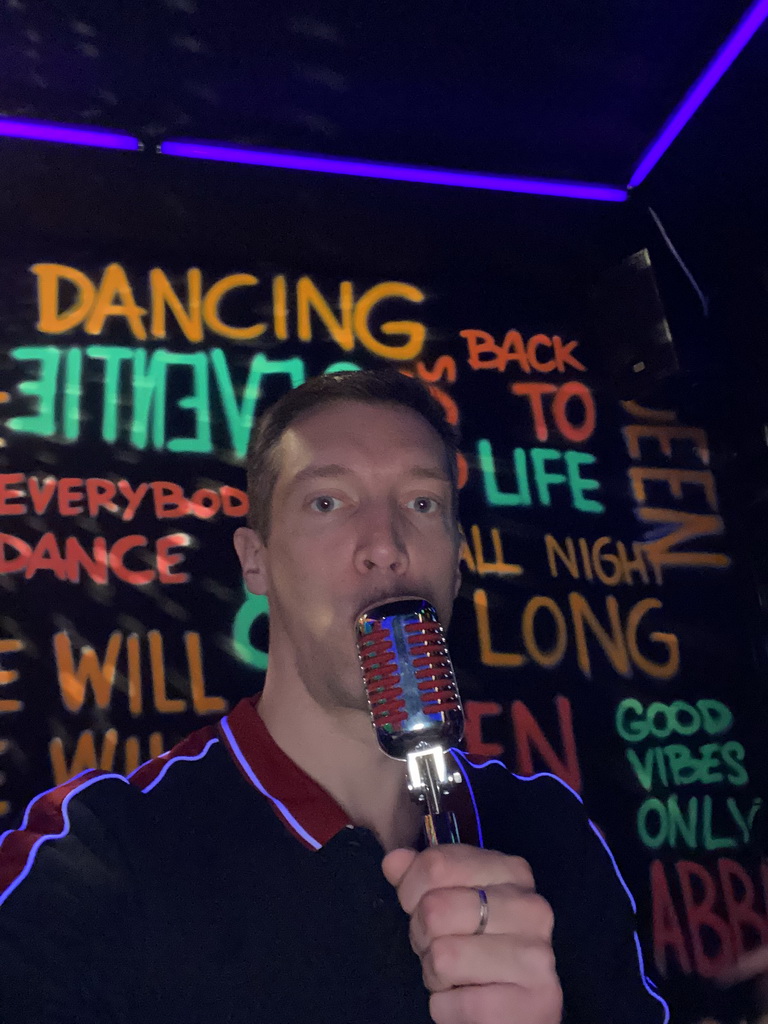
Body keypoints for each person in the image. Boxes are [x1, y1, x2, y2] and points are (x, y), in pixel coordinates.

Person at [0, 370, 669, 1024]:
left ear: (457, 561)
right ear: (255, 559)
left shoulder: (550, 828)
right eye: (328, 502)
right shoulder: (97, 855)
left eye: (422, 503)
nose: (385, 546)